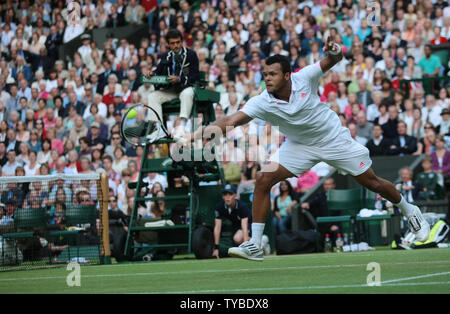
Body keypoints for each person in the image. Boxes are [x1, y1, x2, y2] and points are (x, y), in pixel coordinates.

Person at [193, 38, 429, 261]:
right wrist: (201, 133)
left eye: (273, 74)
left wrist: (334, 50)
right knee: (264, 178)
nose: (268, 79)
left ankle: (410, 210)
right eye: (265, 75)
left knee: (372, 182)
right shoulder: (262, 101)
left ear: (287, 75)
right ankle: (255, 244)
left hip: (333, 139)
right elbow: (229, 121)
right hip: (299, 145)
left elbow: (333, 59)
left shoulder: (304, 77)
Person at [145, 29, 199, 137]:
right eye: (173, 43)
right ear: (168, 44)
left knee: (187, 93)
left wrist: (179, 79)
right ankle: (159, 129)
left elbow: (195, 75)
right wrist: (151, 74)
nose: (176, 45)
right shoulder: (165, 56)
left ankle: (182, 127)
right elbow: (158, 71)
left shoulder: (191, 54)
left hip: (186, 87)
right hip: (171, 90)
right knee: (153, 96)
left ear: (182, 41)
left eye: (178, 42)